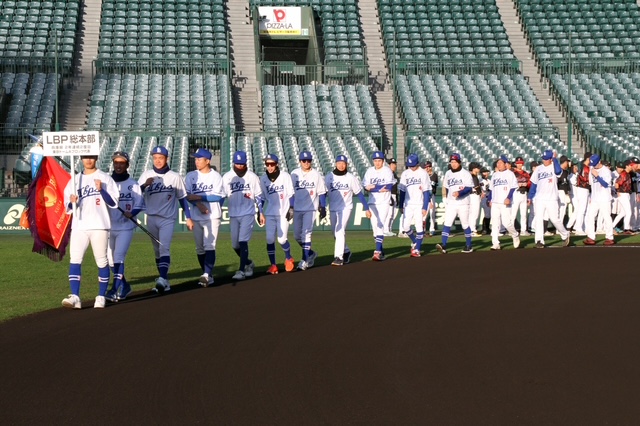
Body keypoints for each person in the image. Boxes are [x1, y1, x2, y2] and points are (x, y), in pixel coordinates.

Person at [61, 155, 120, 309]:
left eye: (91, 157)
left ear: (96, 158)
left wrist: (102, 190)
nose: (88, 160)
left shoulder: (105, 178)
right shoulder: (75, 180)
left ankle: (101, 295)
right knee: (75, 259)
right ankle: (75, 296)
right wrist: (71, 202)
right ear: (81, 159)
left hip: (100, 225)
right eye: (85, 158)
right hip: (79, 225)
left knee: (101, 261)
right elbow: (67, 206)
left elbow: (114, 203)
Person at [138, 146, 192, 293]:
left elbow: (182, 198)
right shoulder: (146, 175)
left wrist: (188, 217)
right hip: (151, 218)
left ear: (166, 159)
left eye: (160, 158)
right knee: (157, 251)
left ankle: (162, 278)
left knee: (164, 247)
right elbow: (136, 194)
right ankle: (164, 280)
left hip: (167, 218)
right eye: (155, 158)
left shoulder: (175, 177)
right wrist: (144, 185)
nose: (157, 161)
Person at [105, 151, 144, 302]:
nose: (118, 165)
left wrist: (132, 213)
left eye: (121, 163)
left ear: (127, 165)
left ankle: (114, 290)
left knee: (118, 257)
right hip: (109, 226)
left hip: (125, 227)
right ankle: (125, 286)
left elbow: (139, 204)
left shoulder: (133, 184)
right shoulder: (107, 183)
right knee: (109, 261)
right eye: (116, 162)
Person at [185, 148, 225, 287]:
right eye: (195, 159)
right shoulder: (191, 176)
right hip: (196, 215)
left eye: (199, 159)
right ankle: (208, 275)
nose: (196, 161)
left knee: (209, 245)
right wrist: (199, 204)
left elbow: (218, 196)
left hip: (212, 215)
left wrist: (199, 197)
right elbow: (188, 196)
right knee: (200, 248)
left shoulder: (216, 176)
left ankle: (207, 274)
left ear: (207, 161)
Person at [223, 150, 262, 280]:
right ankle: (248, 263)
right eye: (237, 163)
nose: (239, 166)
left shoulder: (252, 177)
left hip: (248, 212)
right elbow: (222, 195)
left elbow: (259, 195)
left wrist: (260, 212)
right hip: (233, 213)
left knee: (243, 241)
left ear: (246, 163)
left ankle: (241, 270)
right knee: (235, 245)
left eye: (242, 163)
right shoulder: (227, 177)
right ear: (233, 163)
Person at [325, 155, 371, 265]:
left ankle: (339, 257)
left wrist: (366, 208)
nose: (341, 165)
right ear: (335, 164)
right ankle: (346, 251)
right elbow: (323, 192)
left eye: (343, 163)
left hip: (346, 207)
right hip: (333, 207)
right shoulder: (329, 177)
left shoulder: (350, 178)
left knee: (340, 230)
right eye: (339, 163)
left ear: (347, 165)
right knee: (335, 232)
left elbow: (359, 194)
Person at [257, 154, 296, 274]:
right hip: (270, 212)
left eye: (272, 164)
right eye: (267, 164)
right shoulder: (263, 179)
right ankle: (273, 265)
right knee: (269, 239)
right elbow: (262, 197)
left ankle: (288, 257)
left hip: (283, 212)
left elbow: (291, 194)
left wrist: (291, 208)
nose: (269, 166)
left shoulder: (285, 176)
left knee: (282, 239)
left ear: (277, 164)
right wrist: (260, 211)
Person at [291, 151, 327, 270]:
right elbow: (290, 192)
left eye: (308, 160)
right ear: (300, 161)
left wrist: (323, 206)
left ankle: (304, 260)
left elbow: (321, 192)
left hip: (310, 209)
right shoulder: (294, 174)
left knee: (306, 234)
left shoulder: (316, 174)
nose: (306, 163)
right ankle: (310, 253)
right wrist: (291, 206)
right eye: (304, 160)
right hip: (297, 208)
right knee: (297, 236)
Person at [527, 150, 570, 248]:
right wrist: (530, 197)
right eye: (543, 159)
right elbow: (534, 184)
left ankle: (565, 234)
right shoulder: (538, 168)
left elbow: (558, 172)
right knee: (539, 219)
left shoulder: (554, 166)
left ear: (551, 159)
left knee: (554, 219)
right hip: (539, 198)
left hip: (552, 198)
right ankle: (539, 240)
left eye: (546, 159)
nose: (544, 160)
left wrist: (555, 159)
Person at [436, 153, 474, 254]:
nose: (453, 164)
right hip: (451, 203)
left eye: (455, 162)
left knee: (465, 224)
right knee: (447, 223)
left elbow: (469, 188)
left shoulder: (465, 173)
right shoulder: (448, 173)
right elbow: (445, 187)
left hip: (463, 202)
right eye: (452, 162)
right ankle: (443, 245)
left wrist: (460, 193)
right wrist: (445, 197)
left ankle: (469, 245)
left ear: (459, 162)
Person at [362, 150, 396, 261]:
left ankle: (377, 252)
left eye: (379, 160)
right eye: (375, 160)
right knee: (375, 229)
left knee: (380, 224)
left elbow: (389, 186)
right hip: (372, 202)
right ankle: (381, 251)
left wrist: (373, 187)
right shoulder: (369, 171)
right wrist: (378, 188)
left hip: (384, 202)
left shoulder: (387, 170)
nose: (377, 163)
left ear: (383, 161)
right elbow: (365, 186)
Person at [397, 154, 432, 257]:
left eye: (413, 165)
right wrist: (400, 205)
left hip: (419, 204)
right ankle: (415, 242)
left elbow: (426, 191)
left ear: (417, 163)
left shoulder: (423, 173)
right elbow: (402, 191)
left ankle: (417, 249)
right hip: (408, 204)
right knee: (405, 227)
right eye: (410, 165)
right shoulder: (405, 173)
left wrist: (425, 207)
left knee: (419, 227)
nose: (411, 167)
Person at [487, 155, 520, 250]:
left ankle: (515, 234)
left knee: (506, 223)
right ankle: (495, 243)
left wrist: (508, 198)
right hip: (495, 202)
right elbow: (491, 189)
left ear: (505, 164)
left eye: (500, 162)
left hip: (505, 202)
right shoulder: (495, 174)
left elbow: (513, 187)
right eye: (497, 162)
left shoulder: (510, 174)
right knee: (495, 223)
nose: (498, 164)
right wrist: (489, 199)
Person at [583, 154, 615, 245]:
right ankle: (591, 237)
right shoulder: (592, 169)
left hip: (604, 198)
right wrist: (591, 196)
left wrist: (597, 176)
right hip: (594, 198)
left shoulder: (606, 171)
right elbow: (591, 183)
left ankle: (610, 237)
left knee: (606, 217)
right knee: (590, 217)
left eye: (594, 164)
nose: (593, 165)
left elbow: (606, 184)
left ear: (599, 162)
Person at [569, 152, 592, 235]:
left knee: (587, 210)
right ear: (588, 158)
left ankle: (585, 228)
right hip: (582, 189)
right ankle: (578, 228)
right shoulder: (583, 167)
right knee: (581, 210)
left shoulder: (586, 167)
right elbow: (584, 178)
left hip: (586, 189)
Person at [511, 156, 530, 235]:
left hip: (524, 193)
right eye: (518, 163)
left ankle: (523, 230)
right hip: (516, 193)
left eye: (521, 163)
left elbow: (529, 183)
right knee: (513, 213)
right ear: (516, 164)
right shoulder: (513, 173)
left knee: (524, 214)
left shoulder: (525, 173)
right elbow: (510, 183)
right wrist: (517, 184)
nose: (519, 165)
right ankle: (511, 230)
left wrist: (526, 184)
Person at [423, 161, 439, 236]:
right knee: (424, 213)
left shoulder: (434, 175)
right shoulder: (423, 175)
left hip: (432, 195)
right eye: (426, 167)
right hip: (424, 195)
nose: (427, 168)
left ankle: (432, 229)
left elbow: (434, 186)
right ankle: (423, 229)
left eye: (429, 166)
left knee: (432, 213)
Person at [468, 162, 482, 237]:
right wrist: (481, 193)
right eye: (477, 168)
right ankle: (472, 230)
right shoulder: (473, 176)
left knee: (471, 214)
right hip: (474, 195)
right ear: (473, 169)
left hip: (470, 196)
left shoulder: (469, 176)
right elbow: (476, 187)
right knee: (474, 214)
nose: (479, 169)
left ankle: (470, 230)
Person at [385, 158, 398, 237]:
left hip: (394, 194)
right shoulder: (387, 174)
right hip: (389, 194)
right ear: (389, 165)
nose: (394, 165)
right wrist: (389, 197)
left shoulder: (394, 174)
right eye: (392, 164)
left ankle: (389, 229)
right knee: (389, 213)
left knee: (393, 214)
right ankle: (385, 230)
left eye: (395, 164)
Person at [479, 166, 492, 235]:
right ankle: (484, 229)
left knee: (489, 214)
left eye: (487, 172)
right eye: (484, 172)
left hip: (489, 197)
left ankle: (487, 228)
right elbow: (484, 190)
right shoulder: (480, 180)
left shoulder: (489, 180)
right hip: (484, 198)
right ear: (481, 173)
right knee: (487, 214)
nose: (486, 173)